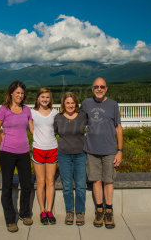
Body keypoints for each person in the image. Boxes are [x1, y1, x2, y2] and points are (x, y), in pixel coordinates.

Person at [0, 80, 33, 233]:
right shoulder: (4, 109)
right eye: (17, 93)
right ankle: (10, 219)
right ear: (11, 94)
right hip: (7, 154)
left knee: (27, 184)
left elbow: (33, 130)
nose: (20, 95)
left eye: (22, 93)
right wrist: (5, 143)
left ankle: (25, 213)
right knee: (7, 186)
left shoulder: (27, 110)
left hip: (24, 153)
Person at [80, 77, 123, 229]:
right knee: (95, 180)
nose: (99, 89)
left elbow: (118, 128)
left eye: (102, 87)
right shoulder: (85, 103)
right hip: (91, 150)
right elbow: (79, 122)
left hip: (110, 150)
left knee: (108, 181)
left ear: (106, 88)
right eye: (96, 87)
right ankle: (99, 209)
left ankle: (109, 210)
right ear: (92, 88)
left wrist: (120, 151)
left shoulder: (113, 104)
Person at [53, 92, 88, 226]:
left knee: (80, 185)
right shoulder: (58, 118)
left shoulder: (83, 116)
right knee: (67, 186)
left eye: (72, 103)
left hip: (80, 154)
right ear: (63, 104)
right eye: (67, 103)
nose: (70, 105)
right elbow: (54, 133)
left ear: (76, 104)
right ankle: (69, 211)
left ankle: (80, 212)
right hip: (64, 155)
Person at [30, 87, 58, 225]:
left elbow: (57, 129)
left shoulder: (55, 112)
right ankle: (42, 211)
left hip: (52, 149)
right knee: (40, 182)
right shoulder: (32, 113)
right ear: (38, 98)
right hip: (38, 149)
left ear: (50, 99)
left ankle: (49, 210)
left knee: (50, 181)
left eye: (47, 97)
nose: (45, 99)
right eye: (42, 97)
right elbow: (30, 128)